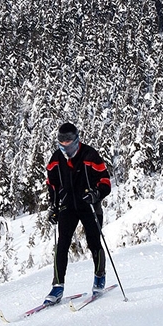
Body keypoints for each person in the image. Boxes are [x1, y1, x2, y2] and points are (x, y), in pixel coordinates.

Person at [44, 122, 111, 304]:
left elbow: (105, 181)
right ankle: (57, 286)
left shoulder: (90, 155)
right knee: (62, 244)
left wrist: (96, 194)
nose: (66, 149)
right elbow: (52, 186)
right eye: (62, 144)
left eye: (70, 144)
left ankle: (99, 276)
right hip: (68, 206)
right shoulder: (56, 159)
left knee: (93, 241)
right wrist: (54, 207)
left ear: (77, 140)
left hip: (89, 205)